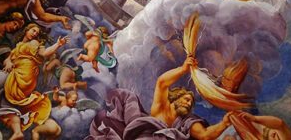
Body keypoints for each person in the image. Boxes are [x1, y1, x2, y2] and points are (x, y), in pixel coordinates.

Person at [87, 55, 234, 139]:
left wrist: (224, 124)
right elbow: (162, 82)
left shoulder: (188, 121)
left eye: (191, 102)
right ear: (175, 98)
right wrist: (183, 69)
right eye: (186, 99)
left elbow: (204, 135)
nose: (189, 103)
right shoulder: (160, 109)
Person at [0, 24, 69, 140]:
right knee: (4, 103)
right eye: (33, 30)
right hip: (17, 72)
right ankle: (17, 132)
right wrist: (8, 62)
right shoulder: (19, 46)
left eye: (37, 33)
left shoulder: (34, 43)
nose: (35, 33)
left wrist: (58, 45)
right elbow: (8, 59)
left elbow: (45, 53)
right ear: (27, 30)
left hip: (23, 74)